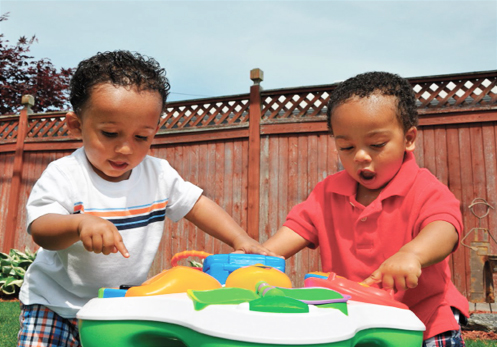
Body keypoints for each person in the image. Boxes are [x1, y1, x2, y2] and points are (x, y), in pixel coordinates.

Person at [18, 50, 275, 347]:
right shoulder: (65, 174)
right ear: (76, 125)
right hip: (53, 303)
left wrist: (240, 239)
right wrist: (78, 224)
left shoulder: (158, 174)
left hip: (117, 305)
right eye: (110, 133)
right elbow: (42, 229)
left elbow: (197, 205)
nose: (125, 149)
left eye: (141, 137)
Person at [263, 71, 469, 346]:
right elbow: (296, 229)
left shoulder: (424, 187)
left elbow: (445, 227)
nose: (360, 155)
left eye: (377, 144)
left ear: (408, 139)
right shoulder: (327, 192)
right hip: (358, 321)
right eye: (346, 147)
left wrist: (413, 254)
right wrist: (263, 256)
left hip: (425, 321)